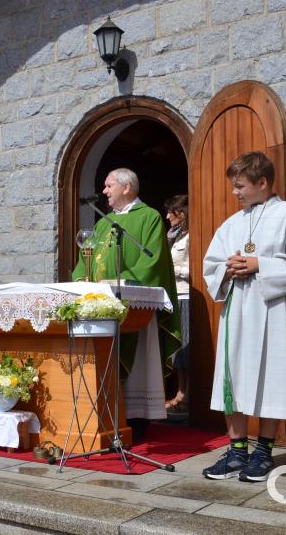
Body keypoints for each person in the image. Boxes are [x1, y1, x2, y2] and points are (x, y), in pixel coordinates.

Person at [202, 151, 286, 482]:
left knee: (272, 375)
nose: (234, 193)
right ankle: (238, 450)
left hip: (274, 309)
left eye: (240, 186)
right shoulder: (232, 223)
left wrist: (259, 264)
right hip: (238, 310)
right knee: (233, 376)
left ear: (262, 182)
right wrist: (228, 268)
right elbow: (211, 264)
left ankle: (264, 452)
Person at [70, 168, 182, 437]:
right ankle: (107, 415)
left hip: (132, 307)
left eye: (109, 186)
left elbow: (151, 261)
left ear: (127, 187)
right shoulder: (103, 222)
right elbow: (85, 261)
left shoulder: (149, 218)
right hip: (100, 304)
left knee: (138, 365)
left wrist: (119, 282)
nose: (104, 191)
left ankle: (137, 419)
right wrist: (80, 281)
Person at [164, 195, 190, 412]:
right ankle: (180, 392)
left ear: (181, 214)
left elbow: (196, 270)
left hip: (186, 296)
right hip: (174, 296)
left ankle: (186, 394)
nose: (167, 216)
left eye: (170, 212)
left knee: (186, 347)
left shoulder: (190, 237)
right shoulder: (173, 236)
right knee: (177, 349)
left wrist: (174, 271)